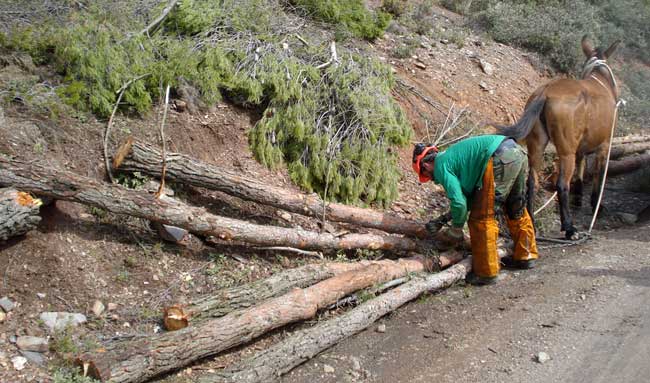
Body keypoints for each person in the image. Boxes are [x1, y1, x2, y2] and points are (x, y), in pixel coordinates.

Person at [412, 134, 538, 285]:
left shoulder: (441, 166)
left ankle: (486, 272)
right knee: (515, 208)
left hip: (498, 158)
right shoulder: (455, 158)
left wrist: (456, 229)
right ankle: (526, 256)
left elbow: (459, 203)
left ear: (425, 166)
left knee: (481, 218)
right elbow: (472, 200)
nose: (432, 179)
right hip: (516, 152)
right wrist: (444, 219)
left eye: (426, 175)